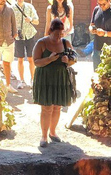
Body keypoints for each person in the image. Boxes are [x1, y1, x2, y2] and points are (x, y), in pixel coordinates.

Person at [33, 18, 77, 147]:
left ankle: (53, 132)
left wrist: (68, 60)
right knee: (46, 108)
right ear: (50, 31)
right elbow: (36, 62)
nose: (59, 36)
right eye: (57, 34)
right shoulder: (41, 43)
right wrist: (49, 59)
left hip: (60, 78)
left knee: (57, 106)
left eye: (61, 34)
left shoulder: (66, 43)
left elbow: (74, 58)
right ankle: (44, 135)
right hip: (45, 78)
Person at [88, 0, 111, 68]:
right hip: (97, 49)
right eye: (99, 4)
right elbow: (91, 25)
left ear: (109, 0)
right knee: (96, 75)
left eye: (103, 4)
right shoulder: (96, 9)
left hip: (110, 51)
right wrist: (92, 30)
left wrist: (105, 33)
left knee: (108, 76)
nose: (101, 6)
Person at [13, 0, 39, 89]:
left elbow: (37, 21)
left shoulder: (29, 7)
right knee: (20, 59)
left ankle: (33, 79)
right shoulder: (12, 8)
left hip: (30, 35)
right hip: (18, 37)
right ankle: (21, 80)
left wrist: (31, 19)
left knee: (31, 59)